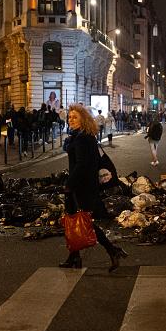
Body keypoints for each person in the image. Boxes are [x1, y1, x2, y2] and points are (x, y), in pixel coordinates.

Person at [60, 104, 127, 271]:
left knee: (84, 222)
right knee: (74, 219)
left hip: (81, 186)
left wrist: (70, 184)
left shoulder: (82, 138)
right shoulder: (83, 136)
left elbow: (82, 165)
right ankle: (74, 257)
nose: (71, 120)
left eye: (75, 117)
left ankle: (112, 250)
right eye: (70, 117)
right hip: (84, 184)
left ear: (84, 119)